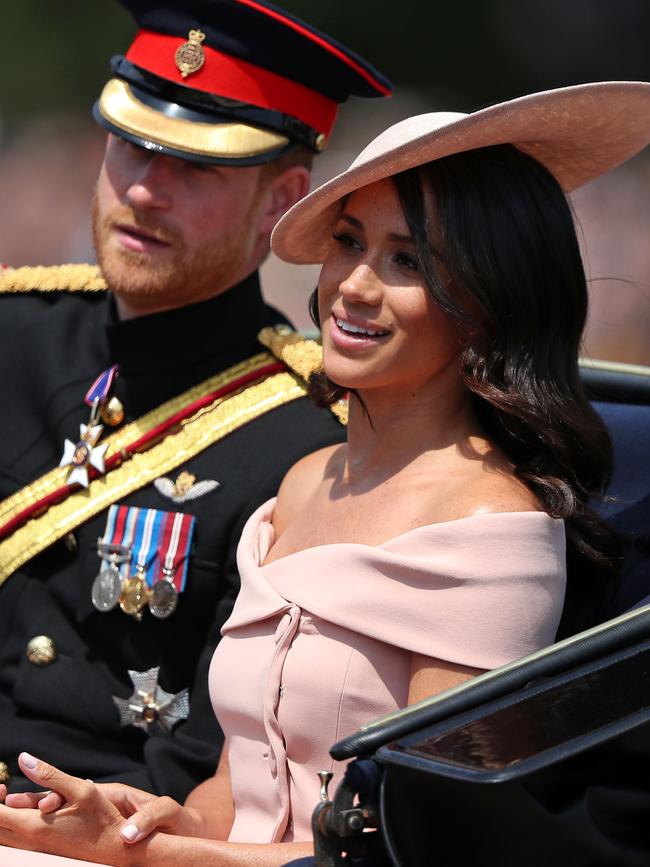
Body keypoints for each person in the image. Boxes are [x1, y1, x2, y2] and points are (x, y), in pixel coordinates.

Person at [2, 80, 649, 866]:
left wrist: (137, 853)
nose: (355, 287)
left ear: (486, 301)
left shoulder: (493, 527)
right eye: (348, 242)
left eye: (407, 260)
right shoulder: (305, 478)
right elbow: (234, 791)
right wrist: (141, 818)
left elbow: (411, 843)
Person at [0, 0, 392, 804]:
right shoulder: (13, 332)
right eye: (133, 148)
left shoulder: (311, 439)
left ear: (282, 199)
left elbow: (226, 769)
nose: (145, 192)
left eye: (196, 167)